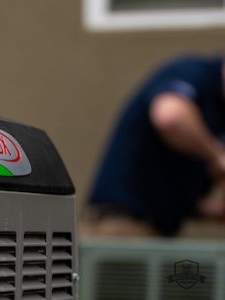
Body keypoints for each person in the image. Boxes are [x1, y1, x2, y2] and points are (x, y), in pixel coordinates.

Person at [84, 55, 225, 237]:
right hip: (121, 224)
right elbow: (169, 117)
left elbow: (171, 192)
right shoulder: (193, 73)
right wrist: (216, 156)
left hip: (158, 230)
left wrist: (213, 211)